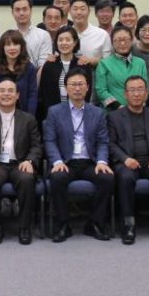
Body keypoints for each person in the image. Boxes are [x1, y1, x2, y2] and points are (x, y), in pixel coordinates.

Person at [44, 69, 112, 243]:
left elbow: (103, 141)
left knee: (106, 178)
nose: (77, 88)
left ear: (87, 87)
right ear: (66, 88)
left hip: (90, 162)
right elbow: (50, 141)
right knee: (57, 178)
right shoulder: (54, 112)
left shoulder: (98, 113)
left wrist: (102, 161)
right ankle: (63, 224)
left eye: (81, 84)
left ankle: (95, 223)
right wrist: (57, 161)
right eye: (73, 84)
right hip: (66, 162)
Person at [0, 77, 43, 245]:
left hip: (20, 163)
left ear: (17, 95)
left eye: (10, 91)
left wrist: (30, 161)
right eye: (2, 91)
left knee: (27, 179)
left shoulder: (28, 119)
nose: (6, 94)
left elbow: (36, 146)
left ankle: (24, 227)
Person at [108, 76, 149, 244]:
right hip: (127, 162)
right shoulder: (114, 117)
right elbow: (111, 144)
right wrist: (125, 159)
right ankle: (128, 223)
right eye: (132, 90)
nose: (136, 94)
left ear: (146, 93)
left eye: (140, 90)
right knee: (126, 177)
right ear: (125, 94)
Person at [35, 27, 93, 122]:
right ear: (56, 43)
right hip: (54, 116)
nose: (64, 43)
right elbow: (44, 95)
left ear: (75, 42)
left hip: (78, 115)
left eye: (68, 40)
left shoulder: (83, 65)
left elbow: (87, 93)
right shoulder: (49, 65)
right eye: (60, 40)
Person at [94, 25, 147, 110]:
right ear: (112, 43)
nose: (122, 43)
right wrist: (119, 107)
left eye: (125, 40)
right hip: (113, 111)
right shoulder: (104, 64)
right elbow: (101, 91)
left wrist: (137, 106)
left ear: (132, 40)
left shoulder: (140, 63)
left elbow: (145, 88)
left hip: (138, 110)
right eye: (118, 40)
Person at [0, 29, 37, 116]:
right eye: (8, 45)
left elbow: (32, 95)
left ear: (21, 47)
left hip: (22, 115)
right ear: (2, 47)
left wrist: (29, 118)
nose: (12, 48)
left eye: (15, 44)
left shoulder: (29, 67)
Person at [11, 0, 53, 68]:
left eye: (25, 9)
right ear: (12, 13)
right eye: (17, 10)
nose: (21, 13)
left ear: (31, 11)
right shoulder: (7, 36)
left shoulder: (43, 35)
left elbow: (43, 65)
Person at [70, 0, 108, 65]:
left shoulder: (102, 34)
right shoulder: (64, 33)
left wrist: (93, 61)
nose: (79, 12)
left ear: (89, 11)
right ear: (70, 11)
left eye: (82, 9)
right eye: (75, 9)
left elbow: (109, 62)